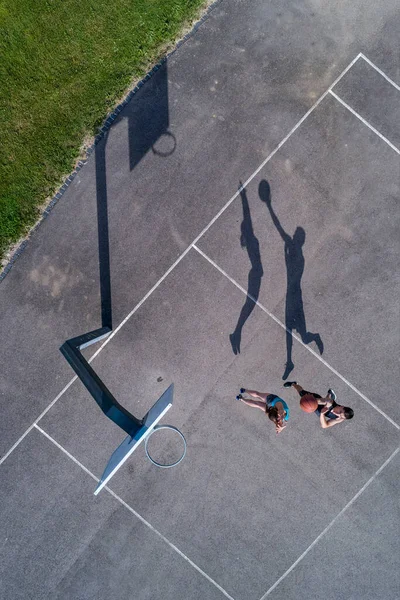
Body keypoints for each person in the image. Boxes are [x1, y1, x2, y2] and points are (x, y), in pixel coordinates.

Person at [283, 381, 354, 428]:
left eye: (340, 415)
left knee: (325, 405)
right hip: (317, 400)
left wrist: (322, 414)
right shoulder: (329, 403)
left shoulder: (340, 418)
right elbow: (316, 401)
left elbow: (325, 425)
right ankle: (294, 384)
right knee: (301, 392)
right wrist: (307, 402)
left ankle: (330, 394)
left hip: (320, 411)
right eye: (340, 412)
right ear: (342, 406)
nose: (337, 414)